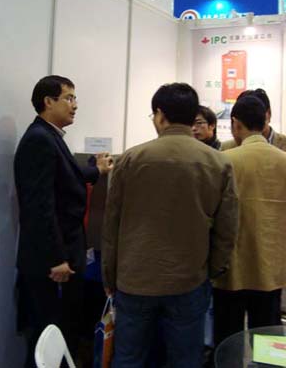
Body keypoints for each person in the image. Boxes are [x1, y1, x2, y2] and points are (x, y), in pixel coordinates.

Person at [102, 83, 238, 368]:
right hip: (189, 279)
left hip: (134, 279)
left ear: (160, 115)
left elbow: (112, 226)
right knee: (185, 360)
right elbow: (226, 229)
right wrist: (211, 270)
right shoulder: (218, 163)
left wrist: (110, 277)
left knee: (129, 359)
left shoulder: (131, 159)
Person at [14, 75, 113, 367]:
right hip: (51, 264)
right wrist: (56, 258)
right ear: (48, 101)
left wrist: (96, 170)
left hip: (62, 257)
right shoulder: (39, 140)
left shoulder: (50, 136)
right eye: (69, 98)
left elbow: (64, 179)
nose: (75, 105)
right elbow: (39, 206)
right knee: (47, 336)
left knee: (60, 332)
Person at [213, 95, 286, 346]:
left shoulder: (226, 160)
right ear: (265, 120)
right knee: (267, 340)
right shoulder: (283, 160)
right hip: (270, 268)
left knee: (227, 338)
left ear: (235, 123)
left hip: (231, 267)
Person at [221, 88, 286, 151]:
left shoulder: (284, 144)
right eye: (246, 116)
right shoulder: (225, 149)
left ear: (269, 114)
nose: (252, 120)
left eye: (257, 113)